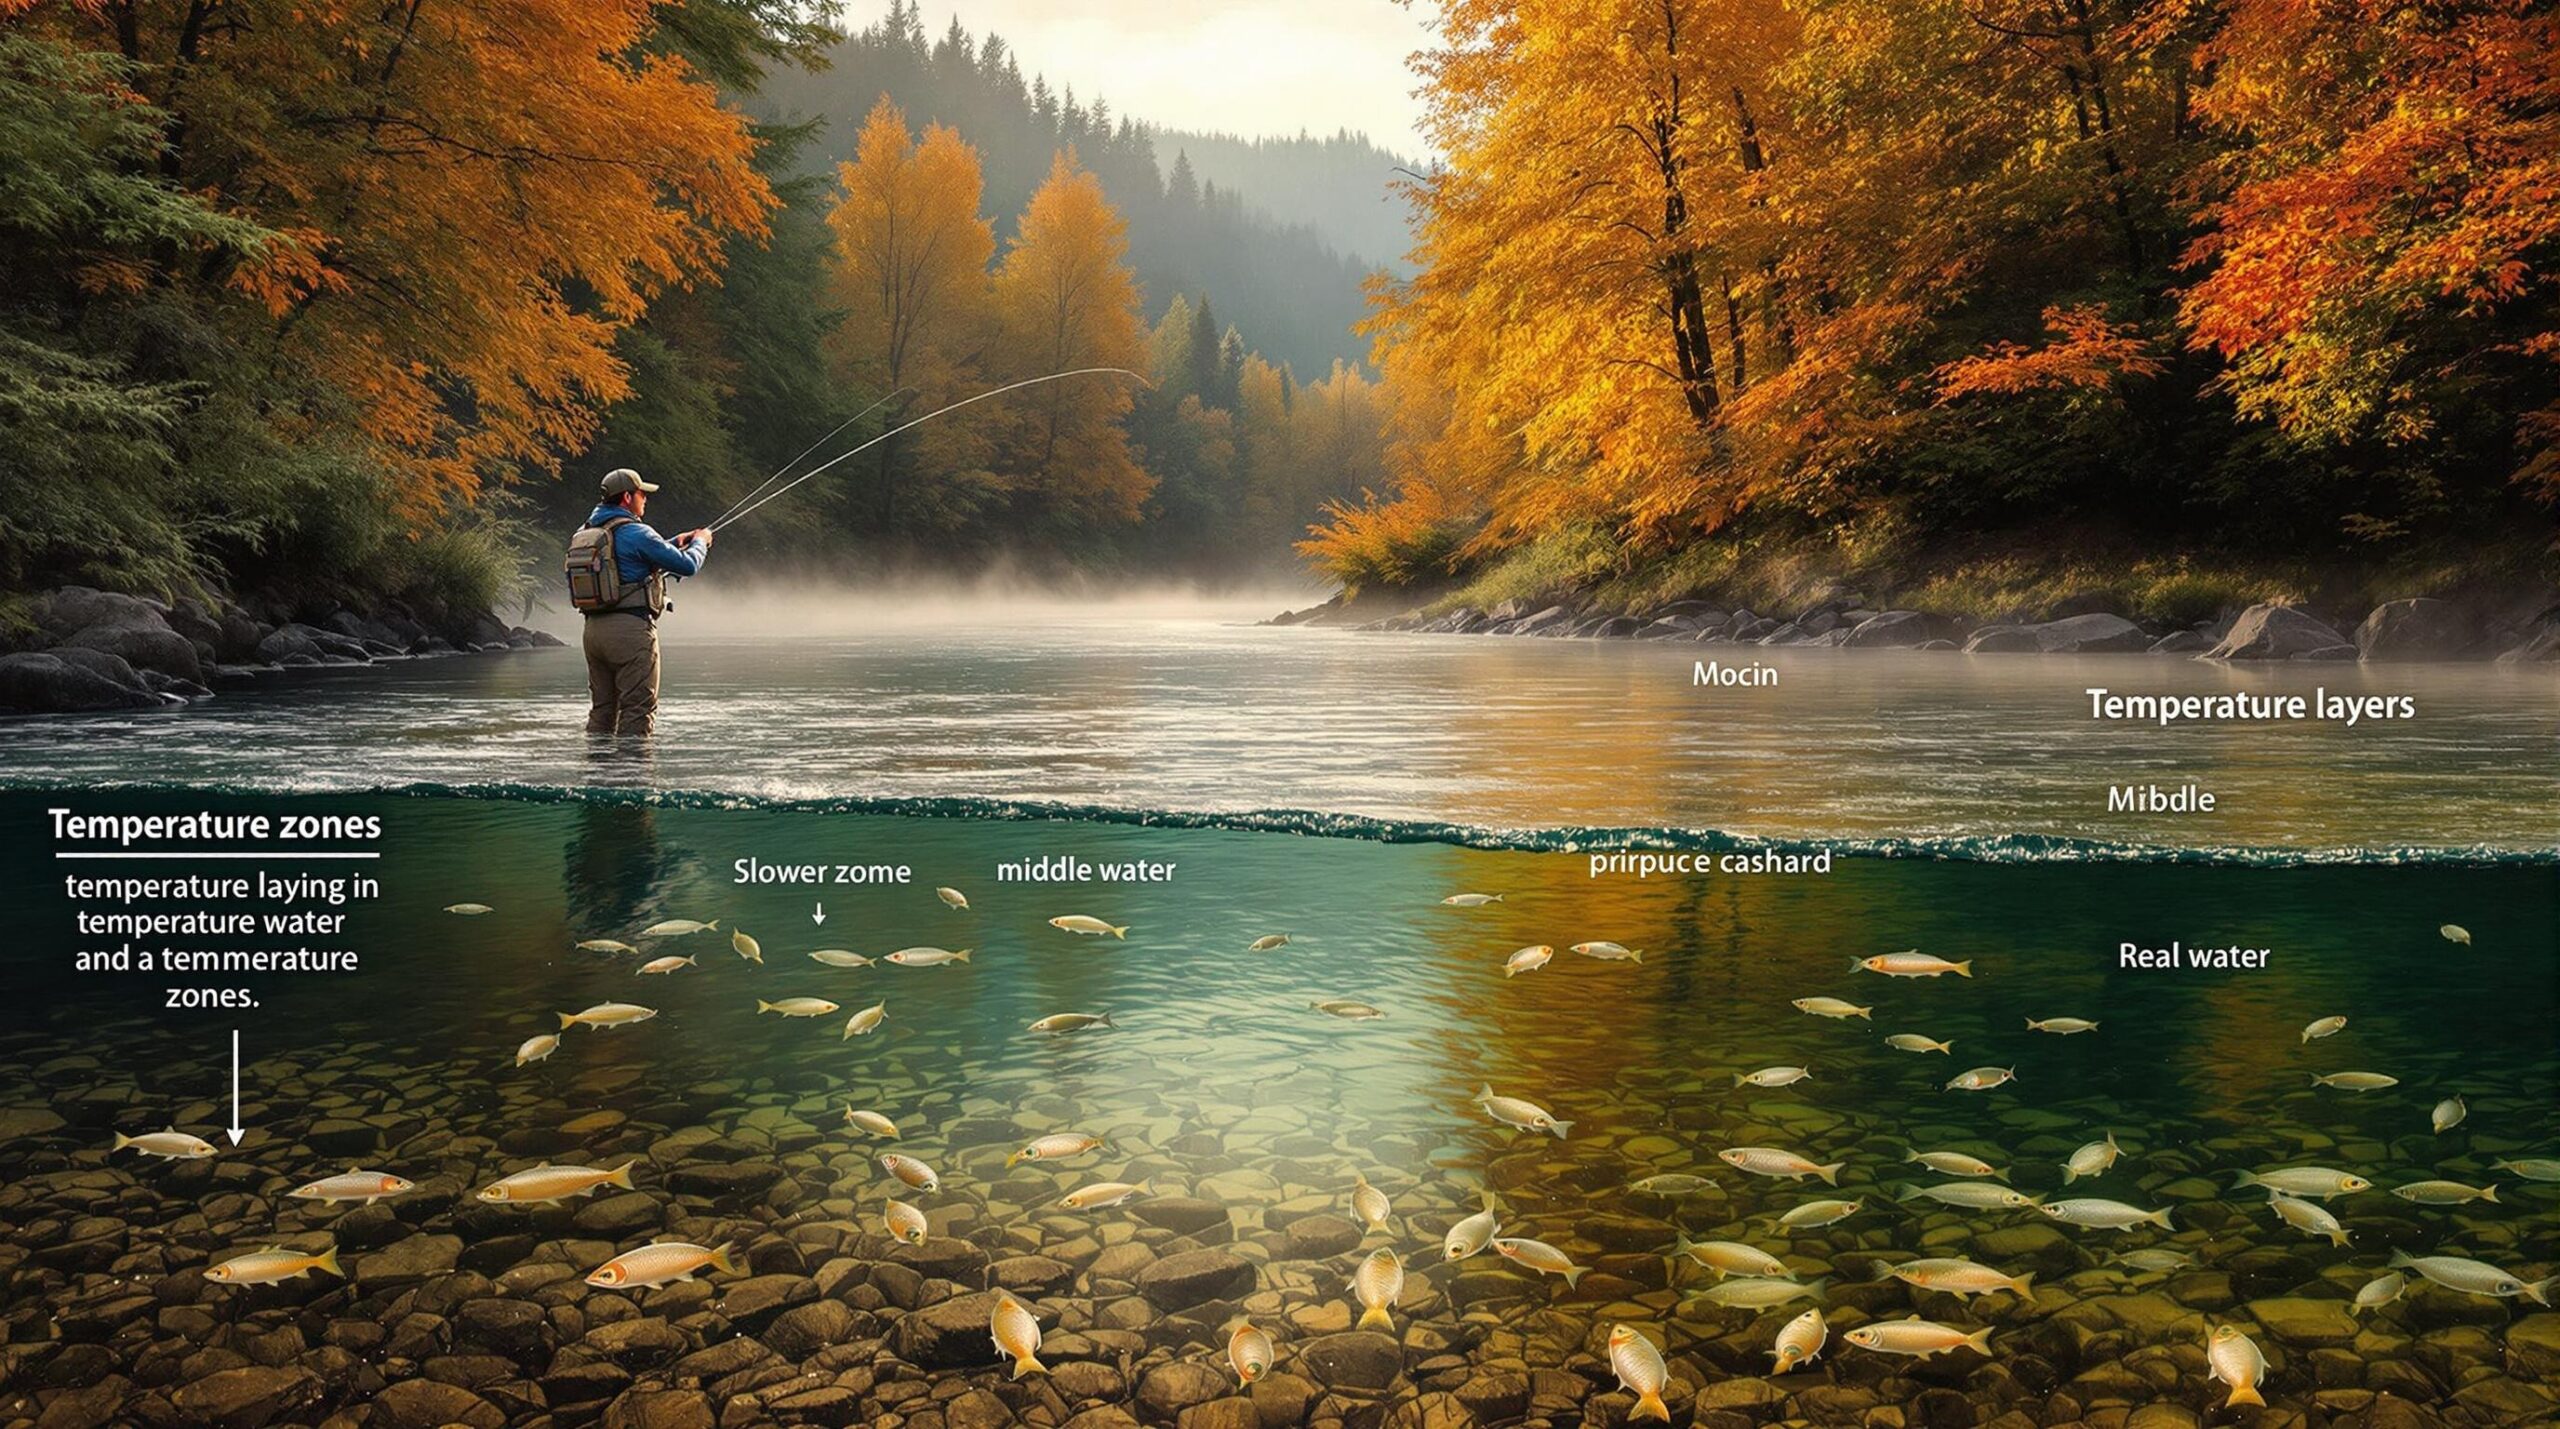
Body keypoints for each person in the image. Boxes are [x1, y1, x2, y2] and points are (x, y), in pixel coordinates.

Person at [574, 469, 711, 737]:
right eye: (641, 494)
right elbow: (687, 565)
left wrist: (674, 543)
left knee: (602, 711)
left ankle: (596, 763)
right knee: (638, 709)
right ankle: (633, 765)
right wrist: (700, 543)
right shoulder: (637, 532)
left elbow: (626, 560)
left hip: (593, 633)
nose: (645, 499)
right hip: (630, 632)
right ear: (627, 497)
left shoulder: (585, 531)